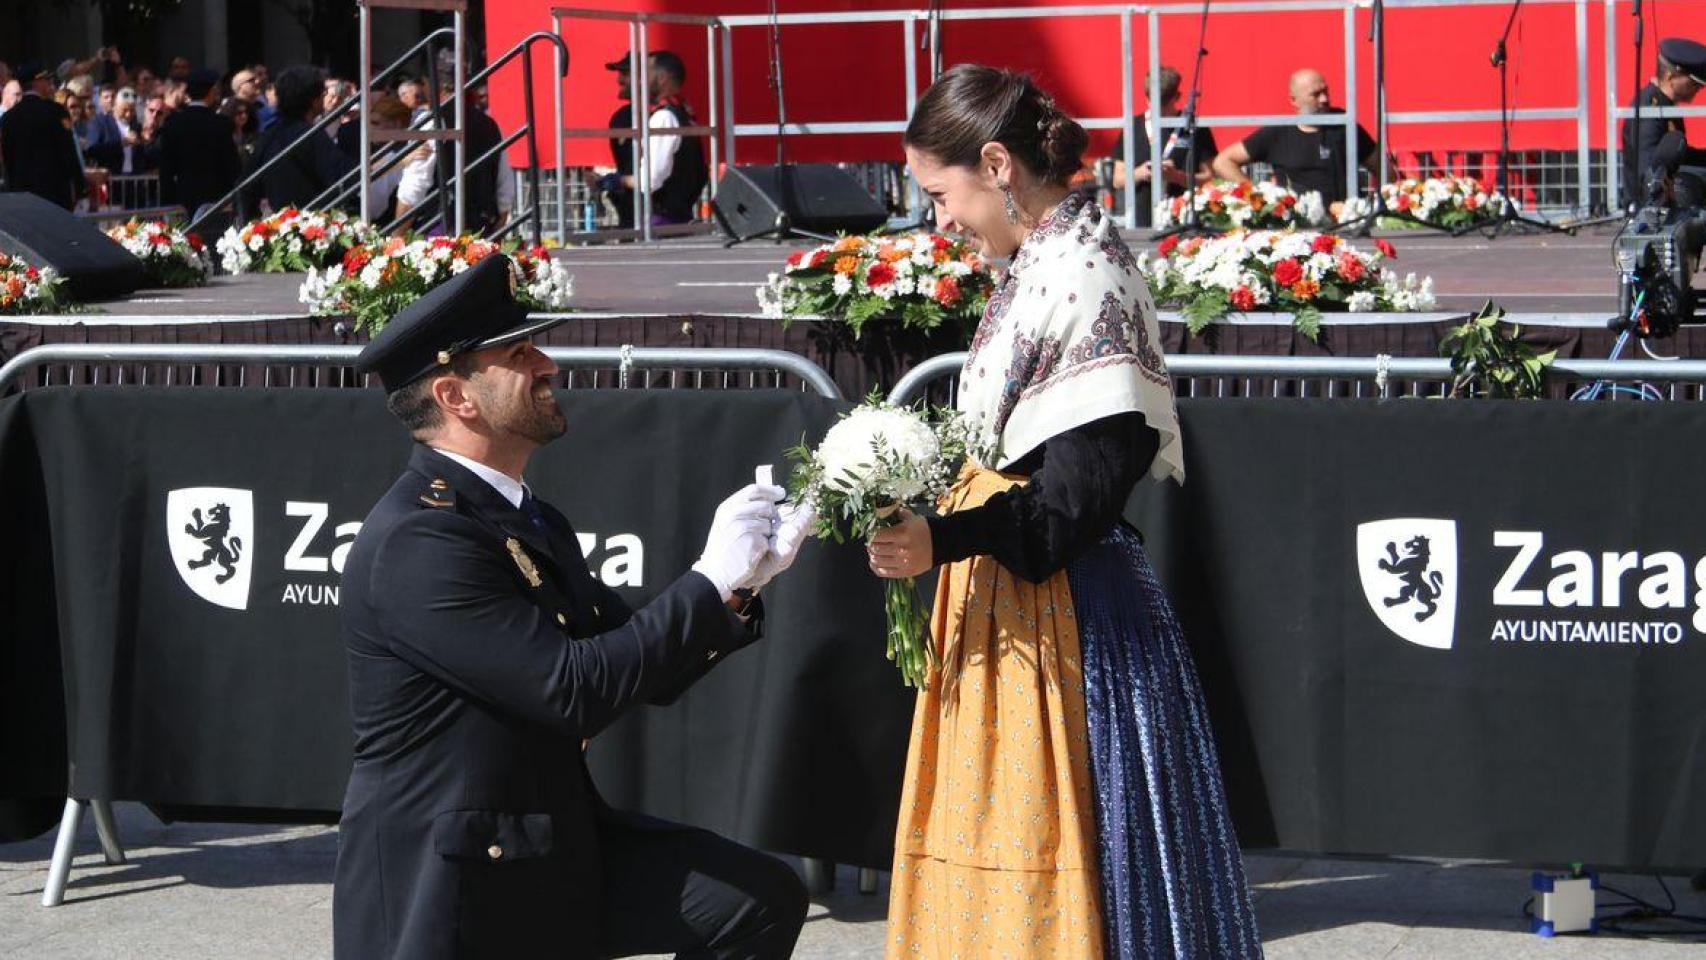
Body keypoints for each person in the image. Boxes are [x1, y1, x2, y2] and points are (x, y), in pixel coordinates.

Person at [876, 63, 1263, 959]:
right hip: (1015, 608)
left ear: (997, 164)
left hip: (1070, 623)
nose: (939, 220)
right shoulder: (1045, 261)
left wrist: (945, 535)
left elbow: (1071, 508)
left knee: (1080, 878)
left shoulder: (1085, 276)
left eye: (940, 194)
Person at [332, 253, 812, 960]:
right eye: (519, 355)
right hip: (454, 879)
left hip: (546, 840)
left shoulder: (522, 515)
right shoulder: (420, 539)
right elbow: (572, 690)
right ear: (456, 396)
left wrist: (739, 587)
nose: (548, 365)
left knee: (756, 901)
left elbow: (635, 663)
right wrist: (709, 579)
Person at [1212, 67, 1376, 215]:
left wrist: (1377, 205)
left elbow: (1382, 166)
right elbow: (1223, 162)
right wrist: (1257, 197)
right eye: (1315, 94)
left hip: (1346, 223)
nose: (1324, 99)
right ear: (1294, 100)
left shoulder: (1344, 126)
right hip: (1297, 226)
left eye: (1326, 91)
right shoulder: (1278, 133)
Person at [600, 50, 707, 226]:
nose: (641, 80)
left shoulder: (664, 117)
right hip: (674, 217)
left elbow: (649, 180)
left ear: (662, 78)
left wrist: (617, 180)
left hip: (660, 221)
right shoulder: (683, 114)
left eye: (645, 73)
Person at [1109, 64, 1216, 227]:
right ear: (1146, 98)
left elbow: (1211, 178)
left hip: (1184, 221)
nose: (1158, 110)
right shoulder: (1132, 127)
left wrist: (1176, 176)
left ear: (1177, 97)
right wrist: (1141, 173)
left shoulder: (1194, 129)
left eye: (1164, 104)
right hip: (1142, 222)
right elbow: (1117, 180)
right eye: (1153, 102)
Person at [244, 65, 356, 213]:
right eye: (322, 93)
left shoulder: (269, 135)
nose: (324, 97)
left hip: (280, 218)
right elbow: (342, 173)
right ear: (313, 100)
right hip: (310, 217)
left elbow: (247, 184)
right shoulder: (311, 135)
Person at [1622, 38, 1706, 208]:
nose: (1699, 89)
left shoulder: (1665, 104)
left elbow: (1678, 155)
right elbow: (1650, 171)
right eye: (1694, 83)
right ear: (1671, 76)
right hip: (1651, 210)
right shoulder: (1650, 109)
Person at [0, 63, 87, 209]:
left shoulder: (9, 118)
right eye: (46, 80)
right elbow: (68, 152)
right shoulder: (55, 112)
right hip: (54, 194)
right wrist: (80, 187)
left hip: (22, 196)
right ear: (37, 83)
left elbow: (8, 159)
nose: (49, 84)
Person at [158, 68, 241, 220]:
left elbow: (166, 167)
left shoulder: (173, 123)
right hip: (216, 200)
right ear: (211, 92)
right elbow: (232, 165)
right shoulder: (221, 123)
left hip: (182, 197)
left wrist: (167, 201)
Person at [601, 53, 637, 228]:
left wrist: (617, 181)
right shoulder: (622, 117)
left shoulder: (664, 115)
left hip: (647, 213)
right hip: (632, 210)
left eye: (625, 73)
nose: (619, 80)